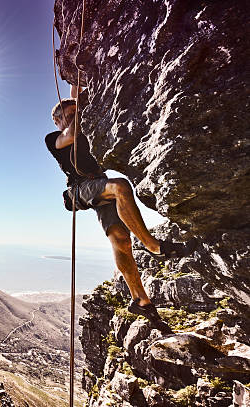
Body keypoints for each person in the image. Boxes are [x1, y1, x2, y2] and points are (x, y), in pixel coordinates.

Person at [45, 85, 196, 334]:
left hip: (96, 185)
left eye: (75, 113)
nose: (75, 117)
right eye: (68, 115)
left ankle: (141, 300)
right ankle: (153, 246)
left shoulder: (85, 132)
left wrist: (78, 89)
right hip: (79, 189)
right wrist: (78, 106)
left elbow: (77, 91)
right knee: (120, 187)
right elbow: (70, 134)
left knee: (121, 239)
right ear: (57, 120)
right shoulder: (54, 138)